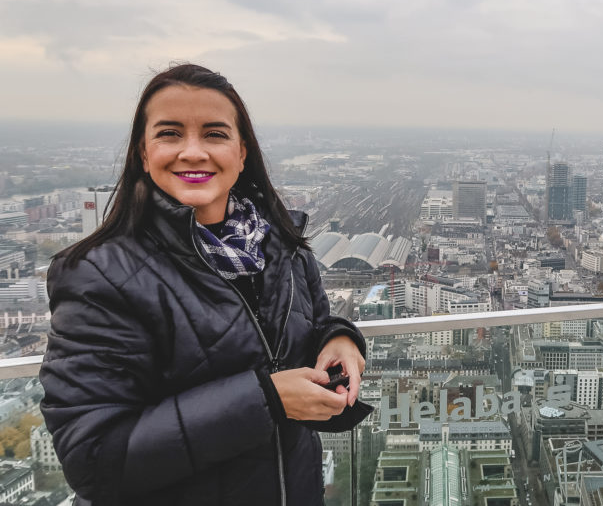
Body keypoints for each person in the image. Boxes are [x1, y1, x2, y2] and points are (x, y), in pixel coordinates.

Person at [40, 64, 371, 506]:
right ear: (143, 152)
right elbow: (94, 458)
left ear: (241, 153)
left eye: (214, 134)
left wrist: (342, 339)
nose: (193, 152)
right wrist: (267, 401)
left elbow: (308, 327)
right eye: (170, 134)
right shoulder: (99, 275)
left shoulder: (282, 243)